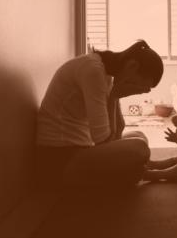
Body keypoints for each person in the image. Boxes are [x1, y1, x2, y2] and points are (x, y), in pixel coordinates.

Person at [35, 39, 164, 189]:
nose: (140, 90)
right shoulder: (93, 71)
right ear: (132, 66)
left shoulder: (107, 76)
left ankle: (142, 170)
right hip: (59, 160)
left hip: (81, 150)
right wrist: (114, 96)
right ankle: (140, 172)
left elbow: (116, 133)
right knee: (139, 148)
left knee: (139, 136)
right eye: (141, 84)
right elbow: (105, 142)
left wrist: (116, 96)